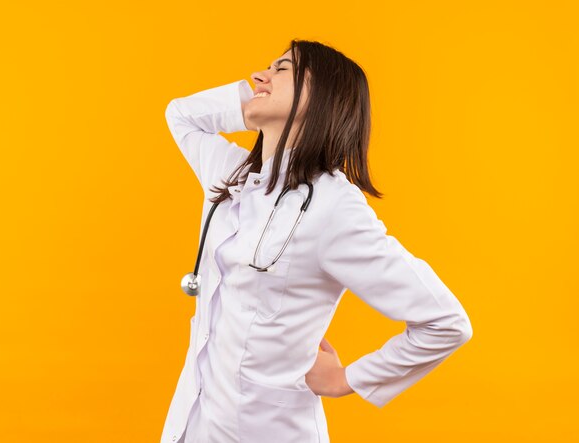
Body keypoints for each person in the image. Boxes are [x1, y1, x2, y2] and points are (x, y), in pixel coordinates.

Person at [160, 39, 473, 443]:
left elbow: (445, 322)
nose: (259, 76)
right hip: (194, 424)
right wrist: (253, 97)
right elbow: (180, 114)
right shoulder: (231, 174)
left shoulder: (333, 206)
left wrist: (348, 378)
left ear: (322, 97)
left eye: (282, 69)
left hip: (269, 432)